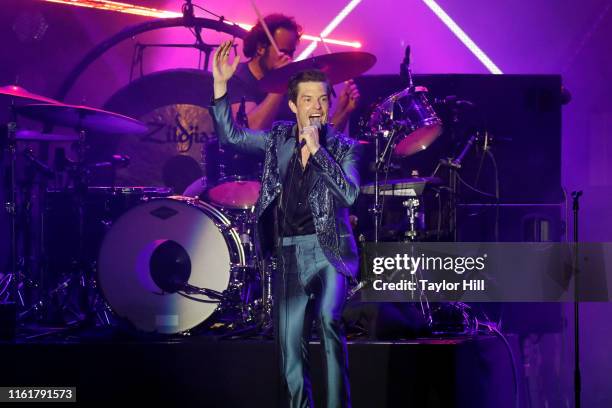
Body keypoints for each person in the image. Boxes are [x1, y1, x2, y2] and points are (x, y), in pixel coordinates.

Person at [211, 39, 361, 408]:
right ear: (293, 105)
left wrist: (319, 153)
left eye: (323, 99)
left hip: (330, 253)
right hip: (288, 254)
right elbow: (231, 136)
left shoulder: (344, 147)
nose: (316, 107)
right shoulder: (277, 138)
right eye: (308, 99)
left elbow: (350, 195)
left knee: (328, 323)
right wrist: (220, 86)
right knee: (289, 346)